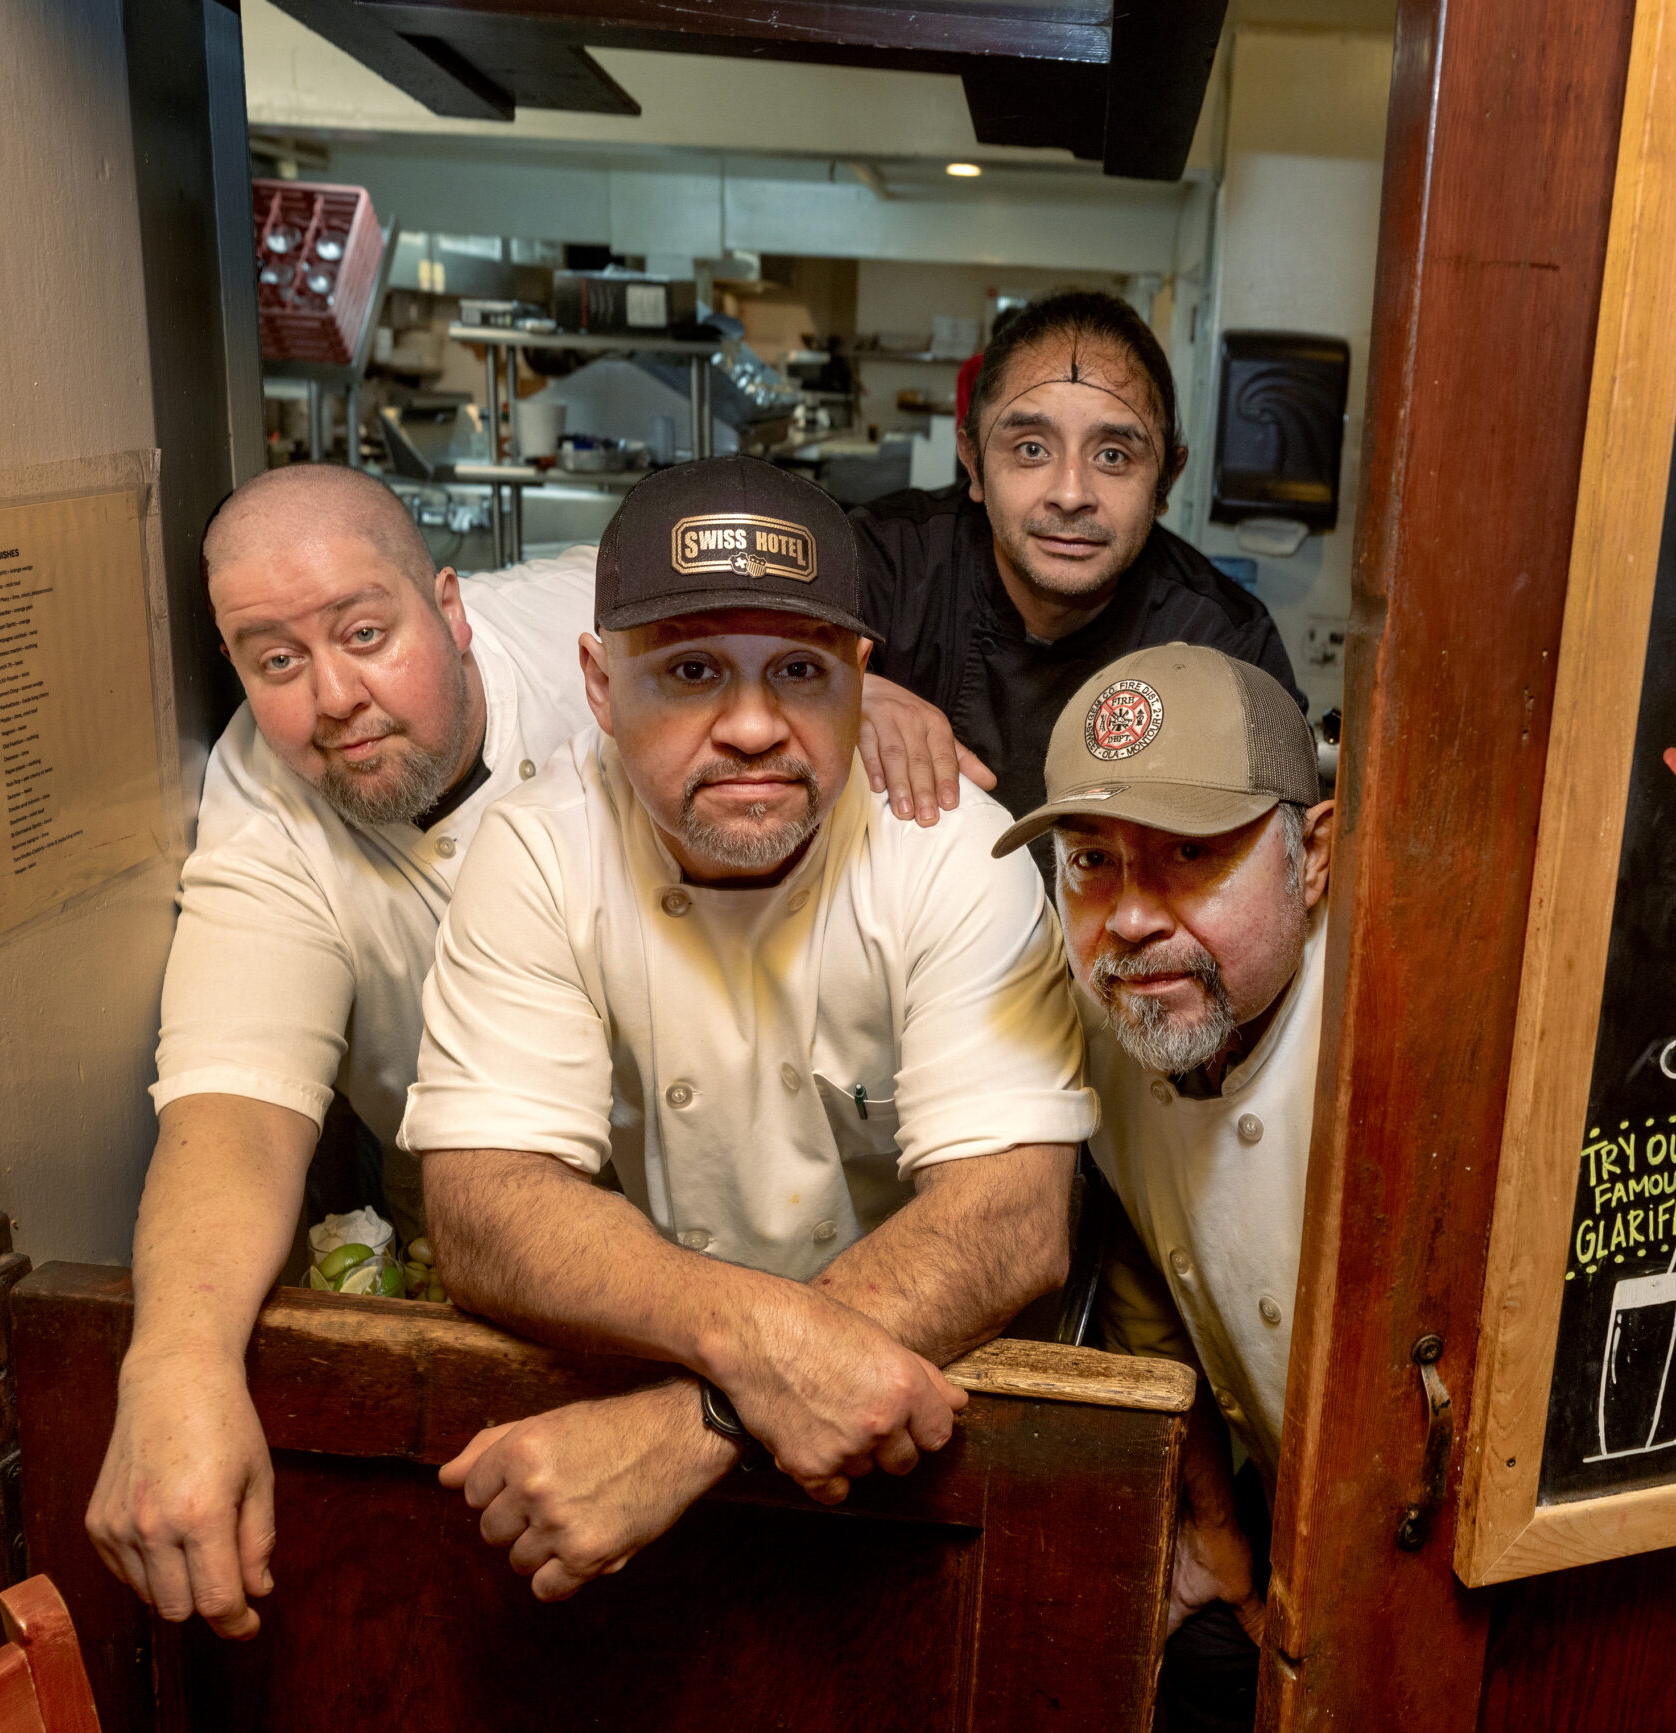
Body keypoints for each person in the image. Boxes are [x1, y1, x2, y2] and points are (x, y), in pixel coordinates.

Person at [405, 456, 1098, 1601]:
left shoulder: (952, 850)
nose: (752, 727)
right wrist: (759, 1351)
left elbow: (1015, 1220)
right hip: (659, 1361)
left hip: (926, 1413)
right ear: (596, 681)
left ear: (860, 676)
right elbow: (482, 1205)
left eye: (798, 670)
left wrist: (701, 1421)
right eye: (688, 671)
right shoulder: (538, 848)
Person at [86, 465, 599, 1640]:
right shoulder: (265, 796)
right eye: (274, 661)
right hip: (471, 1237)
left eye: (367, 633)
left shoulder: (591, 631)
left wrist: (864, 699)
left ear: (453, 610)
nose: (333, 696)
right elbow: (237, 1098)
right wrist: (174, 1364)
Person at [990, 644, 1333, 1731]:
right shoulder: (1098, 1018)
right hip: (1272, 1511)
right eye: (1092, 860)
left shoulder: (1390, 1022)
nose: (1130, 919)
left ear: (1313, 855)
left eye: (1191, 851)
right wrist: (1216, 1515)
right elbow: (1143, 1272)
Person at [850, 290, 1306, 830]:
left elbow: (1279, 856)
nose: (1070, 494)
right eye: (1031, 449)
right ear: (972, 463)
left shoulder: (1227, 643)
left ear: (1166, 480)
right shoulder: (881, 564)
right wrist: (836, 692)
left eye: (1113, 456)